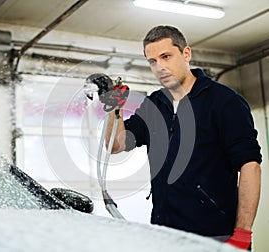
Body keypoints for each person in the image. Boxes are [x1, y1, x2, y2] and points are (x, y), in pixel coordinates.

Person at [102, 25, 262, 251]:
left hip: (214, 236)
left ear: (186, 53)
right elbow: (117, 145)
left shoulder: (224, 102)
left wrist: (243, 233)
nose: (160, 67)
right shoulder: (155, 104)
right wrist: (114, 109)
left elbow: (250, 166)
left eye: (166, 56)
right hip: (164, 233)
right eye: (152, 61)